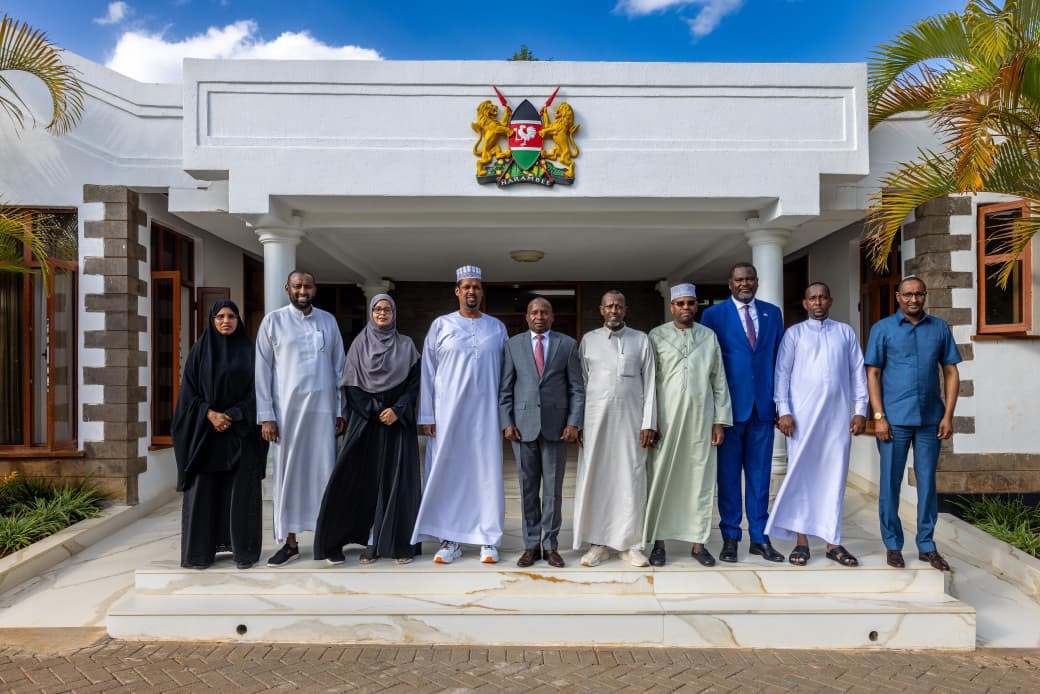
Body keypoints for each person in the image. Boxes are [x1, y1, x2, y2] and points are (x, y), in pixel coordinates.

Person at [313, 294, 422, 566]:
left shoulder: (407, 345)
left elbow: (415, 383)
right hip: (366, 425)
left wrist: (397, 410)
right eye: (377, 309)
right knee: (362, 480)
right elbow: (351, 385)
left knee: (397, 482)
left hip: (398, 423)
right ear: (371, 313)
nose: (382, 313)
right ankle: (366, 541)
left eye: (387, 309)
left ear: (394, 313)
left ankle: (398, 543)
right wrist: (375, 410)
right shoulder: (359, 345)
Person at [412, 266, 509, 564]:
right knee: (448, 474)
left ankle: (488, 539)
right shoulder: (441, 326)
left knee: (486, 475)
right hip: (447, 415)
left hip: (486, 416)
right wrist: (427, 415)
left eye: (476, 287)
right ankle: (449, 538)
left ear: (482, 292)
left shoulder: (497, 328)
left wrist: (506, 418)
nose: (471, 292)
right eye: (466, 287)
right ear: (457, 291)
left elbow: (506, 376)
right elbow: (427, 373)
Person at [767, 282, 868, 567]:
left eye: (823, 297)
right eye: (813, 298)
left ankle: (833, 542)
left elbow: (858, 374)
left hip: (837, 421)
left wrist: (860, 410)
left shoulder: (845, 332)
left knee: (834, 479)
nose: (818, 302)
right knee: (802, 477)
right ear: (805, 303)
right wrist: (784, 411)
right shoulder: (794, 334)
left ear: (831, 300)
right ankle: (802, 542)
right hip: (801, 420)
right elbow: (782, 375)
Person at [865, 276, 961, 571]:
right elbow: (873, 374)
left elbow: (951, 372)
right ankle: (893, 545)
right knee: (890, 486)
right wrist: (878, 417)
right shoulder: (882, 329)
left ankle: (927, 545)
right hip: (894, 422)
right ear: (897, 296)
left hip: (931, 420)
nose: (913, 300)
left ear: (925, 296)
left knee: (928, 484)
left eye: (919, 294)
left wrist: (948, 415)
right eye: (907, 294)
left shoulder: (939, 328)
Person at [255, 271, 346, 567]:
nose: (302, 290)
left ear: (314, 288)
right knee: (288, 477)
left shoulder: (327, 321)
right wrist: (267, 416)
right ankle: (290, 543)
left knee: (325, 473)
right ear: (287, 289)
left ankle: (328, 540)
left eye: (307, 286)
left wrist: (339, 410)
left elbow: (338, 369)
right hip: (287, 415)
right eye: (297, 286)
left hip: (322, 414)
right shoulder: (273, 322)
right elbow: (262, 372)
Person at [172, 300, 268, 570]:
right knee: (203, 492)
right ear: (212, 320)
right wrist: (209, 414)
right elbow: (188, 394)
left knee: (241, 495)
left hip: (240, 433)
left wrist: (234, 415)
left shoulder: (250, 352)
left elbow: (259, 391)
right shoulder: (199, 352)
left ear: (239, 320)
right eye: (220, 316)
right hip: (206, 436)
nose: (226, 321)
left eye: (232, 316)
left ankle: (244, 552)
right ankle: (200, 554)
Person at [700, 262, 785, 563]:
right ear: (730, 283)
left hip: (763, 408)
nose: (745, 283)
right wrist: (713, 414)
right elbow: (708, 366)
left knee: (761, 477)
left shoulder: (772, 313)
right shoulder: (713, 316)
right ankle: (731, 537)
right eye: (739, 279)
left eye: (750, 279)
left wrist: (781, 404)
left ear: (757, 281)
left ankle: (760, 537)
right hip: (729, 411)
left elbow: (780, 361)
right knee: (728, 477)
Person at [644, 284, 732, 567]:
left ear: (697, 306)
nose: (685, 308)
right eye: (680, 304)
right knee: (661, 479)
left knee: (700, 481)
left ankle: (698, 543)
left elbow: (718, 380)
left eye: (690, 304)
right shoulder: (656, 336)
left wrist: (719, 421)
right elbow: (647, 384)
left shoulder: (709, 337)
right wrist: (650, 422)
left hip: (701, 421)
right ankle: (658, 543)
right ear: (671, 307)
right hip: (666, 422)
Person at [573, 290, 657, 567]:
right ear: (601, 310)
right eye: (609, 306)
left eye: (618, 306)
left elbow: (651, 384)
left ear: (625, 310)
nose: (614, 310)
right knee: (598, 480)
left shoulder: (641, 340)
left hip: (633, 424)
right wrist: (579, 424)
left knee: (631, 479)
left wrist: (649, 422)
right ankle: (598, 543)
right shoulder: (590, 341)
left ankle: (631, 544)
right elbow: (582, 386)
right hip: (596, 424)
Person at [500, 297, 584, 568]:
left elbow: (576, 388)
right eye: (534, 312)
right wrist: (507, 422)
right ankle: (530, 545)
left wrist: (573, 423)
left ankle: (551, 546)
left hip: (557, 428)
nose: (539, 316)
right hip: (523, 429)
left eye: (544, 312)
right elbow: (505, 389)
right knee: (527, 489)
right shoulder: (513, 345)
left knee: (552, 491)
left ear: (552, 316)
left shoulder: (568, 345)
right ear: (526, 317)